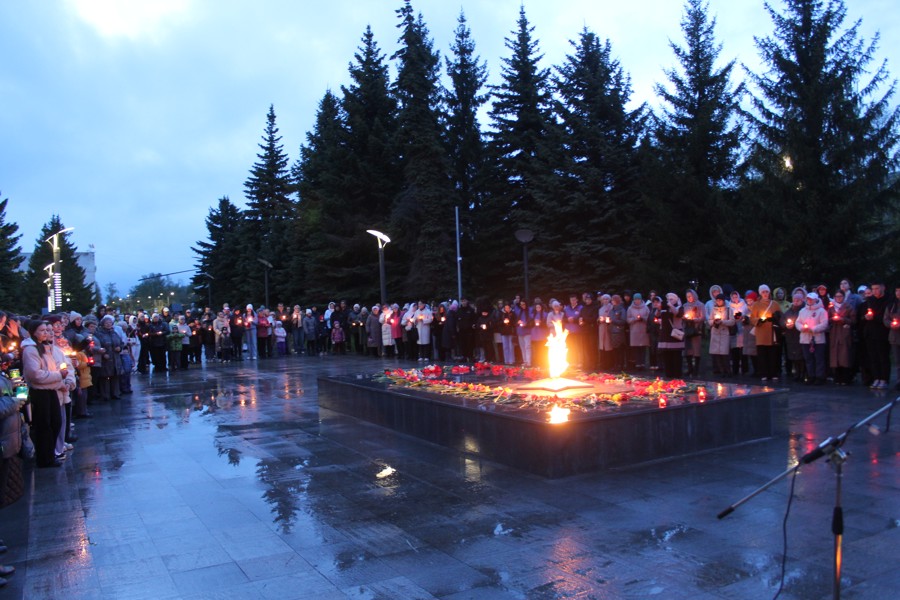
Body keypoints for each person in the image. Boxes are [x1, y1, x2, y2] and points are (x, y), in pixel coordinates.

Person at [21, 319, 75, 468]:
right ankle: (45, 458)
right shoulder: (31, 350)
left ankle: (50, 454)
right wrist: (59, 376)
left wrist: (62, 380)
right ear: (33, 332)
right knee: (44, 425)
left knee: (56, 423)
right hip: (40, 393)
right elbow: (36, 375)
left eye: (47, 330)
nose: (46, 333)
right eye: (42, 330)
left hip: (52, 390)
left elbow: (54, 368)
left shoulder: (46, 348)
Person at [859, 283, 891, 389]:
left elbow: (886, 316)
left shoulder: (888, 301)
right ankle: (876, 378)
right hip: (870, 332)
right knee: (873, 357)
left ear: (883, 288)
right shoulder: (870, 301)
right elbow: (862, 315)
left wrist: (874, 317)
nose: (875, 291)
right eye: (873, 289)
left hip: (882, 333)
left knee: (883, 356)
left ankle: (884, 379)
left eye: (877, 288)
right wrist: (866, 317)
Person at [797, 293, 829, 384]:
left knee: (819, 358)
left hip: (818, 339)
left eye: (811, 299)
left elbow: (824, 324)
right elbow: (798, 322)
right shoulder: (802, 311)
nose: (809, 301)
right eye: (808, 299)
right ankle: (811, 376)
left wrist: (814, 329)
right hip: (805, 338)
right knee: (808, 358)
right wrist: (802, 328)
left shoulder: (821, 311)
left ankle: (820, 377)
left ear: (816, 300)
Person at [829, 289, 855, 385]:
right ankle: (837, 377)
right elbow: (827, 319)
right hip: (834, 333)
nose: (838, 298)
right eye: (836, 296)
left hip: (844, 333)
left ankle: (846, 378)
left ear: (843, 297)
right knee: (835, 355)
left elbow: (853, 320)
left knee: (844, 355)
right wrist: (832, 319)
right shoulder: (831, 308)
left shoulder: (848, 307)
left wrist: (843, 319)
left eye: (840, 296)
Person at [658, 293, 685, 378]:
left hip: (675, 335)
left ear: (676, 300)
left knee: (676, 356)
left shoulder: (680, 307)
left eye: (671, 299)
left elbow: (678, 314)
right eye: (668, 299)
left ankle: (677, 375)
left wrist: (671, 306)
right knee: (667, 356)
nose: (669, 301)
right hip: (665, 335)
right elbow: (658, 315)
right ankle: (668, 374)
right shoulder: (664, 308)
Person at [707, 294, 735, 376]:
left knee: (724, 353)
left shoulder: (728, 309)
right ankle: (720, 370)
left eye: (720, 300)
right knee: (716, 353)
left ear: (723, 301)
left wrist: (723, 322)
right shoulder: (713, 309)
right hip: (715, 332)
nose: (718, 302)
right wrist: (714, 322)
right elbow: (709, 320)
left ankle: (727, 371)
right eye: (717, 300)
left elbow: (732, 321)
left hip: (724, 332)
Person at [682, 289, 705, 377]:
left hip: (696, 329)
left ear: (694, 296)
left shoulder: (700, 305)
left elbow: (703, 317)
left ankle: (696, 369)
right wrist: (685, 318)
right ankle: (690, 368)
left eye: (690, 296)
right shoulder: (685, 305)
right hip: (687, 330)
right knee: (688, 349)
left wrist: (695, 319)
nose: (689, 298)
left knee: (696, 350)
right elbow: (683, 316)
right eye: (687, 296)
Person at [884, 286, 900, 390]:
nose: (898, 293)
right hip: (894, 336)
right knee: (898, 360)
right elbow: (885, 319)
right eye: (897, 290)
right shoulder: (891, 305)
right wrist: (891, 324)